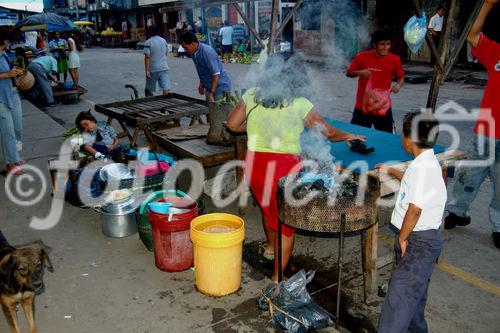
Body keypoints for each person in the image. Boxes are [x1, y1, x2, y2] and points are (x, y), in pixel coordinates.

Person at [227, 53, 365, 283]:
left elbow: (232, 124)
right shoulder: (299, 102)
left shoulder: (252, 95)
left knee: (267, 208)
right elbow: (328, 132)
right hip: (283, 169)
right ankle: (277, 278)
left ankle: (271, 249)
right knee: (286, 224)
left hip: (255, 165)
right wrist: (348, 135)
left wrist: (255, 130)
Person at [376, 112, 445, 332]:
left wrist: (403, 238)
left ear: (409, 139)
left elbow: (415, 210)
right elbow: (413, 184)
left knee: (398, 301)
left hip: (419, 242)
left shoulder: (423, 169)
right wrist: (391, 170)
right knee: (415, 295)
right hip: (421, 240)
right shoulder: (425, 163)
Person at [446, 0, 500, 249]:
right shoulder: (496, 53)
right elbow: (472, 35)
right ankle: (458, 212)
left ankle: (499, 228)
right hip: (485, 132)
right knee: (469, 174)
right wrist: (487, 5)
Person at [346, 29, 405, 133]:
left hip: (383, 107)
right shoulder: (362, 56)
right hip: (362, 108)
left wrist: (398, 86)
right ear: (374, 45)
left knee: (389, 139)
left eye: (388, 44)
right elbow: (349, 73)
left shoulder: (394, 60)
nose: (385, 47)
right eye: (382, 44)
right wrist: (360, 73)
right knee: (355, 140)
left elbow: (401, 77)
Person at [179, 31, 231, 102]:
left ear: (193, 44)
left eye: (186, 48)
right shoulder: (194, 53)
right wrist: (202, 84)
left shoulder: (207, 52)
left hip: (220, 88)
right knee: (210, 110)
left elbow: (216, 75)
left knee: (217, 111)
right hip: (209, 87)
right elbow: (202, 70)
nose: (185, 50)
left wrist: (212, 93)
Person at [0, 29, 25, 175]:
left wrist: (15, 73)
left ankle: (16, 155)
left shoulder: (4, 55)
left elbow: (10, 71)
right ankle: (10, 163)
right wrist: (7, 74)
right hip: (1, 99)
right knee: (8, 132)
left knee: (18, 130)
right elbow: (6, 73)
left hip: (12, 94)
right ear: (4, 41)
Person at [144, 25, 170, 97]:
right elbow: (166, 53)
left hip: (153, 69)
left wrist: (147, 70)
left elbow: (147, 57)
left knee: (149, 89)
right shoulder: (163, 40)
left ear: (149, 33)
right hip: (164, 67)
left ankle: (149, 103)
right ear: (158, 32)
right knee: (165, 87)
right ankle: (166, 102)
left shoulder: (148, 42)